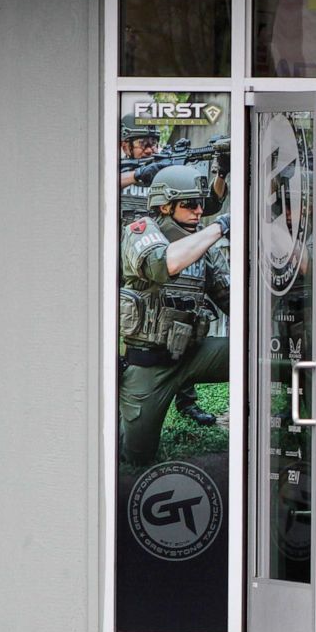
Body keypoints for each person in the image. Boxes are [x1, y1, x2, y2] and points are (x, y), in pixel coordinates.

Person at [118, 113, 229, 426]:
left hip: (170, 256)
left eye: (155, 142)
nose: (151, 148)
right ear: (124, 144)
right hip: (127, 259)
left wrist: (221, 173)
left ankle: (184, 397)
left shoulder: (164, 175)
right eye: (144, 143)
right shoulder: (120, 172)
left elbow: (206, 206)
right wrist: (139, 175)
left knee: (179, 313)